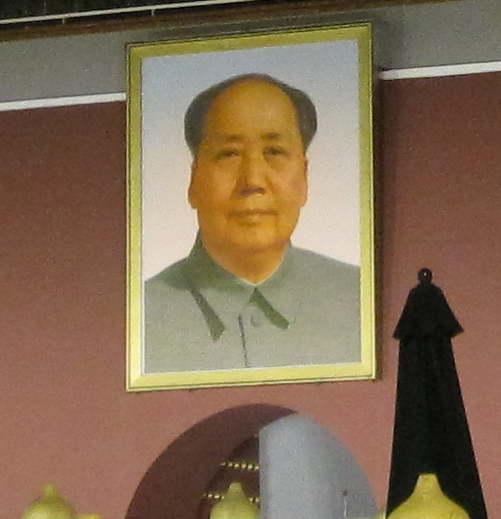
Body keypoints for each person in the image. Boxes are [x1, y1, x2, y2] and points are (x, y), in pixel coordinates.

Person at [138, 71, 366, 375]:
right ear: (193, 180)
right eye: (229, 154)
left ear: (304, 177)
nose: (253, 181)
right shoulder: (139, 317)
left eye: (274, 152)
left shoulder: (361, 300)